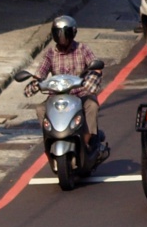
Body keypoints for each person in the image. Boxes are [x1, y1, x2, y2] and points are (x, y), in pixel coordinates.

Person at [26, 15, 105, 147]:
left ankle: (90, 139)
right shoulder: (50, 53)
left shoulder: (82, 49)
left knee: (92, 106)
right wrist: (35, 83)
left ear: (72, 33)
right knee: (40, 109)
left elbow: (96, 68)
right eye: (58, 34)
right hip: (58, 97)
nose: (62, 38)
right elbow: (40, 73)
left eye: (64, 34)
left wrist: (91, 80)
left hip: (80, 95)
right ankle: (50, 139)